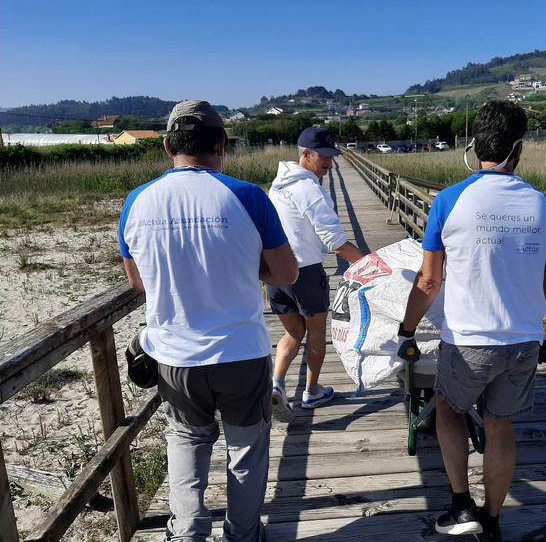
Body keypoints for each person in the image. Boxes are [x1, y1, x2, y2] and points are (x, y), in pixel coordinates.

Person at [119, 100, 298, 542]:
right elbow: (286, 273)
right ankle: (242, 534)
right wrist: (244, 265)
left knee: (186, 441)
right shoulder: (247, 196)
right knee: (246, 449)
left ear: (166, 147)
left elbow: (139, 280)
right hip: (240, 352)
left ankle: (188, 532)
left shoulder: (137, 201)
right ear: (221, 144)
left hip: (175, 354)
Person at [397, 101, 546, 540]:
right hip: (524, 340)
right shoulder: (543, 206)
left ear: (475, 146)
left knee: (449, 411)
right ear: (518, 148)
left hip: (469, 340)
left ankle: (459, 503)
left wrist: (407, 330)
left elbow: (429, 282)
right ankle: (491, 519)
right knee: (499, 425)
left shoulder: (451, 201)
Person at [268, 127, 366, 422]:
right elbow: (334, 241)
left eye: (332, 157)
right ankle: (311, 391)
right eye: (324, 157)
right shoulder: (309, 189)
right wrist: (372, 264)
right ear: (306, 155)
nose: (330, 163)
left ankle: (276, 384)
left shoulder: (277, 185)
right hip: (306, 273)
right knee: (316, 335)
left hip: (275, 275)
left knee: (292, 332)